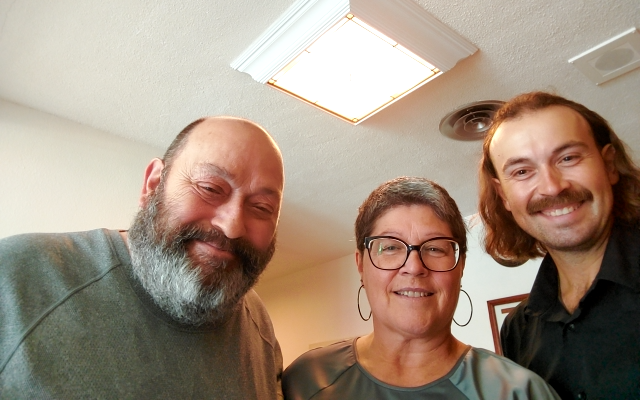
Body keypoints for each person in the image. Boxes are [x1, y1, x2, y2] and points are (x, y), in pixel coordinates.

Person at [0, 116, 285, 399]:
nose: (232, 226)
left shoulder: (259, 326)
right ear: (153, 184)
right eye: (210, 188)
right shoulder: (17, 276)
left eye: (262, 207)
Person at [282, 177, 560, 399]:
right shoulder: (306, 380)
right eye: (390, 247)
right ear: (361, 265)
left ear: (461, 265)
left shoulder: (517, 392)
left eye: (435, 248)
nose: (414, 267)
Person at [479, 91, 640, 399]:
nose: (552, 187)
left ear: (609, 165)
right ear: (503, 196)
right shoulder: (517, 331)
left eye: (568, 158)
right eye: (522, 172)